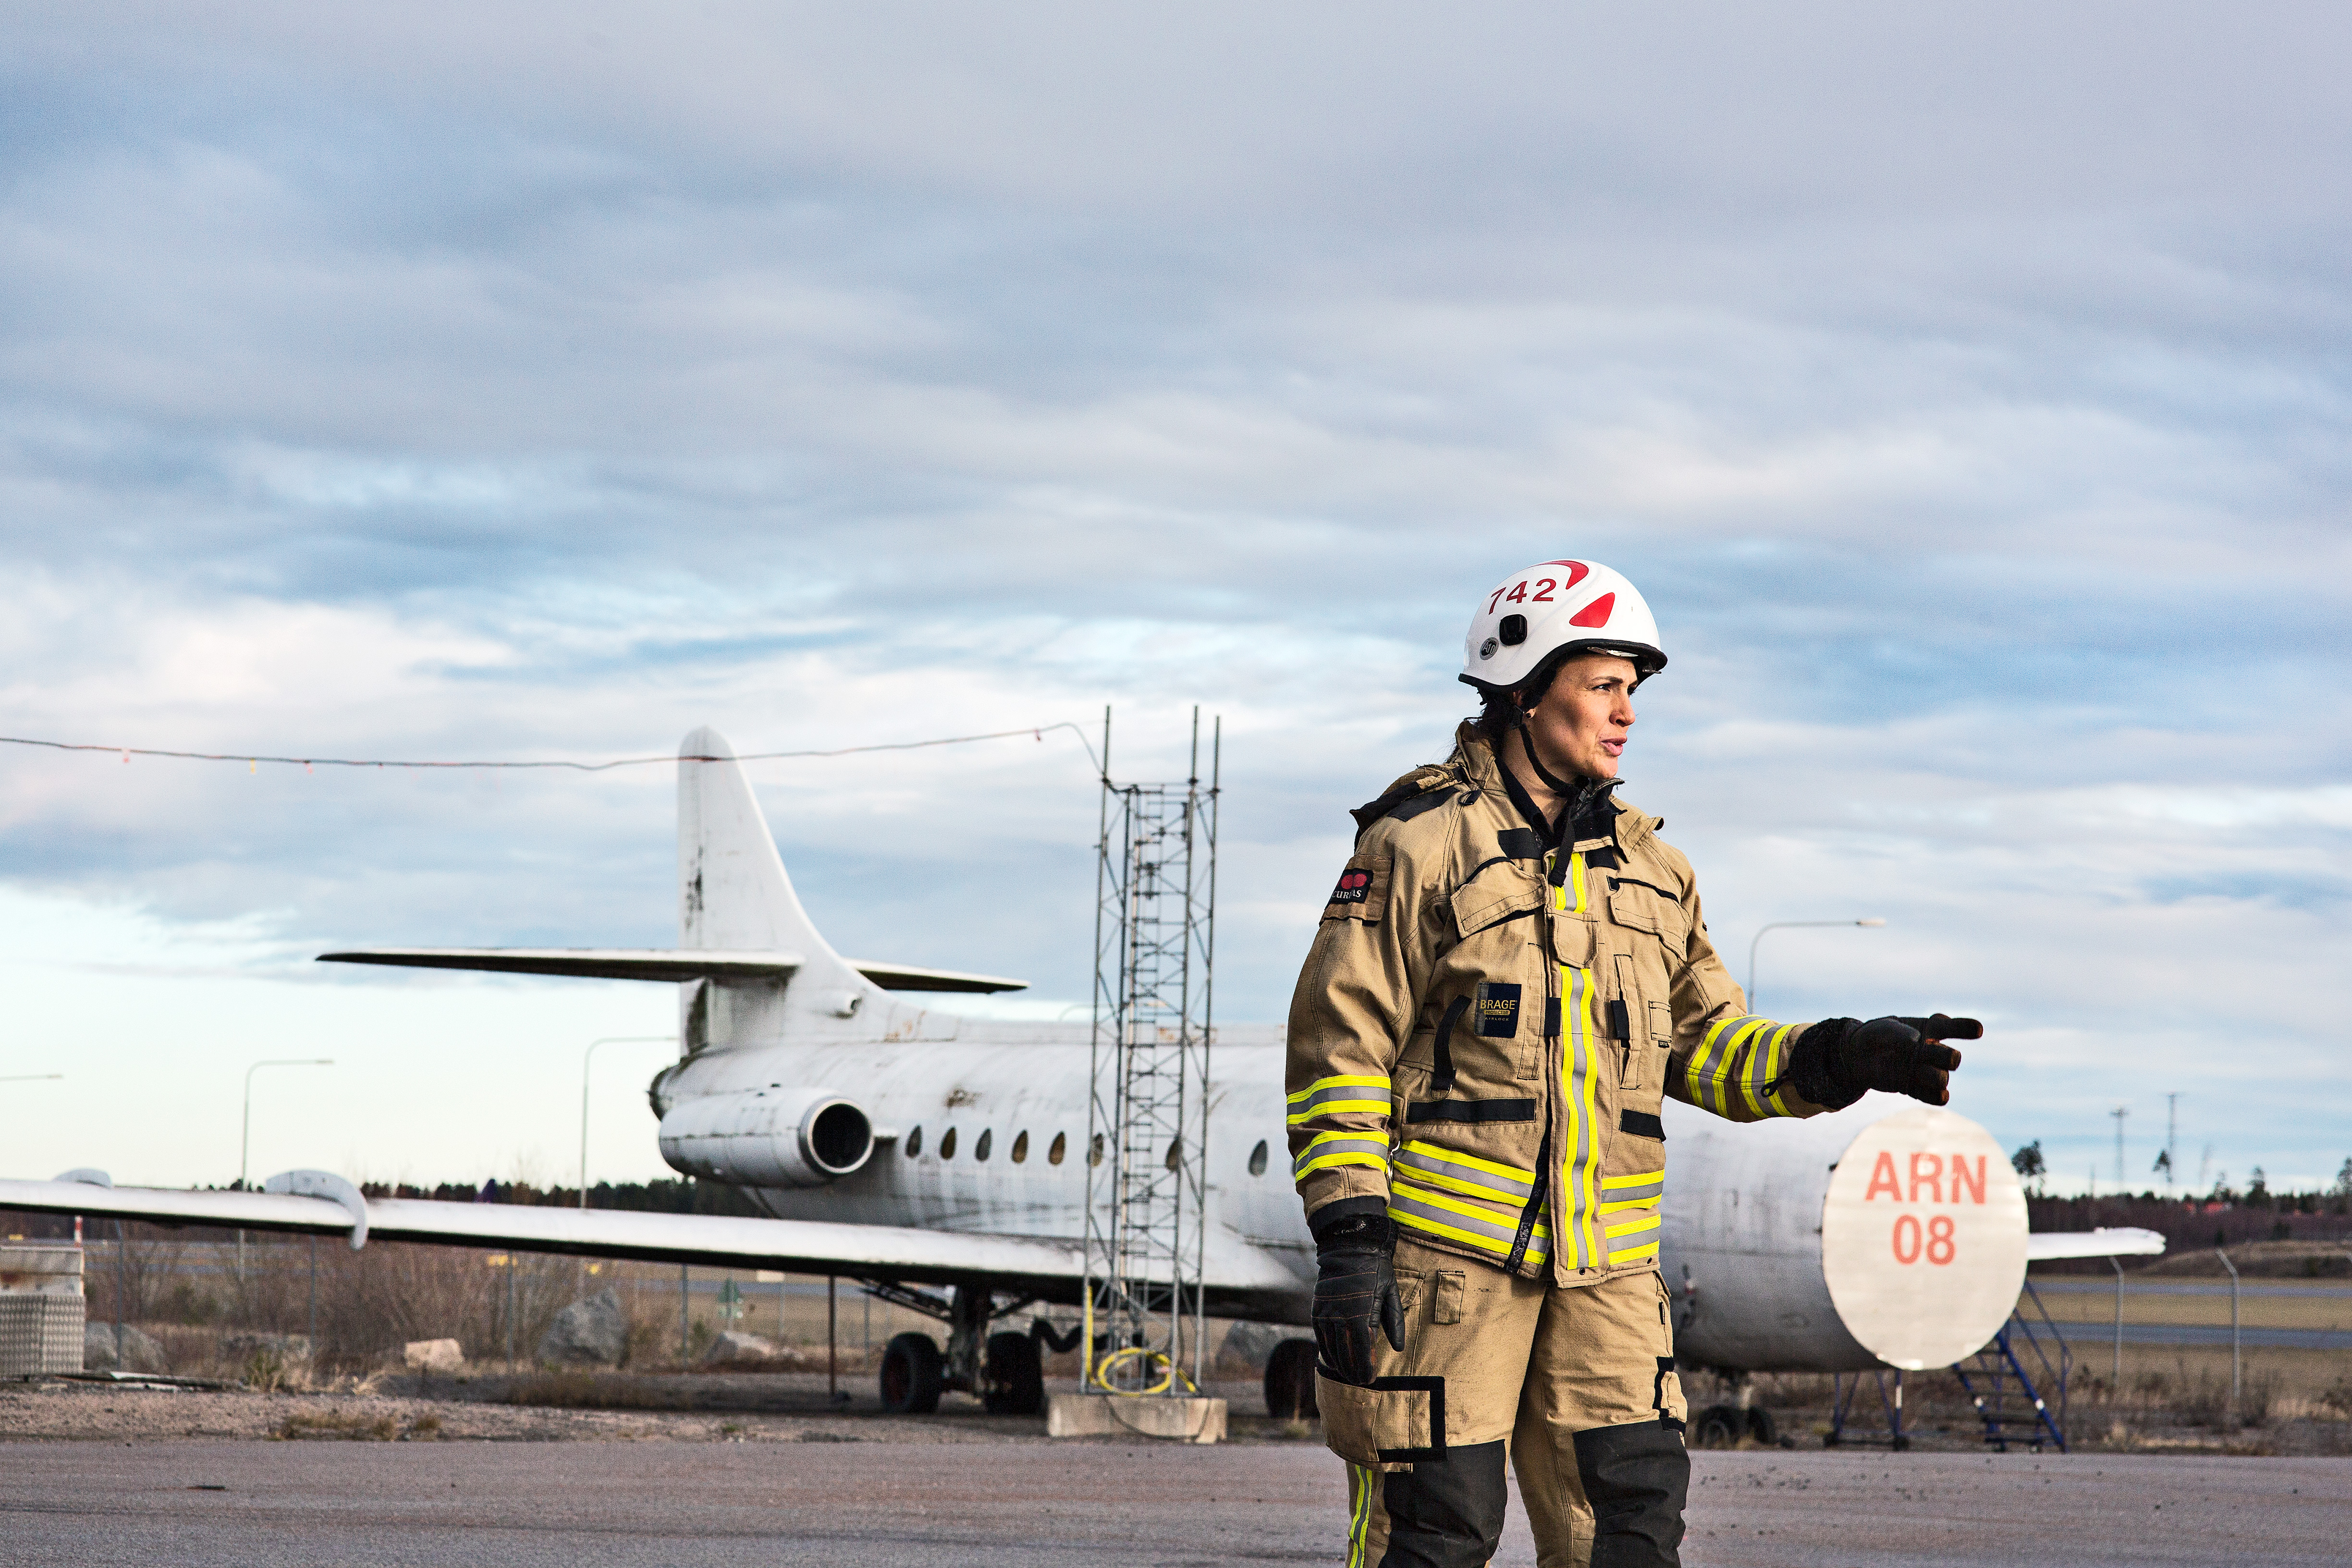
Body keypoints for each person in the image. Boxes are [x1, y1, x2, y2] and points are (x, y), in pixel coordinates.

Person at [1286, 559, 1977, 1568]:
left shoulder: (1655, 875)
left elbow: (1709, 1050)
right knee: (1435, 1539)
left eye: (1633, 691)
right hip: (1445, 1280)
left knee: (1635, 1536)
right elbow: (1341, 1046)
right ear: (1525, 689)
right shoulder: (1416, 844)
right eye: (1604, 685)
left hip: (1608, 1283)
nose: (1627, 714)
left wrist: (1840, 1055)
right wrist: (1351, 1241)